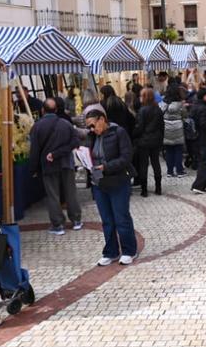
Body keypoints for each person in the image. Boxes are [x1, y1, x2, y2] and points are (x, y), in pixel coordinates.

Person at [84, 109, 138, 266]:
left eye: (93, 125)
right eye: (89, 127)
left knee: (121, 217)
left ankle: (129, 250)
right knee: (106, 220)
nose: (92, 129)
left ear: (102, 119)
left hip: (118, 181)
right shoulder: (92, 136)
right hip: (99, 182)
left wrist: (106, 167)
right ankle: (111, 251)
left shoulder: (118, 132)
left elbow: (126, 157)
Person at [28, 97, 82, 235]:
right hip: (66, 163)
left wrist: (33, 169)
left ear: (42, 110)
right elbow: (76, 141)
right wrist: (61, 152)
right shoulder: (65, 124)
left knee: (53, 195)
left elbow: (34, 150)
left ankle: (58, 225)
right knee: (71, 192)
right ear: (56, 109)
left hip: (48, 165)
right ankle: (76, 220)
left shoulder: (37, 126)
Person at [132, 88, 165, 197]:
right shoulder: (158, 109)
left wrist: (134, 135)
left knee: (143, 165)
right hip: (156, 140)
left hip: (144, 141)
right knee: (156, 163)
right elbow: (162, 126)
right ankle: (158, 188)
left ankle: (144, 190)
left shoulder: (142, 110)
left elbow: (139, 127)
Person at [162, 86, 187, 178]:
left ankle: (169, 171)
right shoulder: (180, 104)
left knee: (169, 151)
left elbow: (160, 113)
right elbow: (185, 115)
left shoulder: (163, 104)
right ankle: (179, 171)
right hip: (178, 127)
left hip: (167, 127)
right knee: (178, 150)